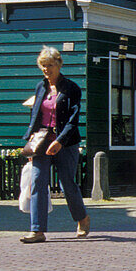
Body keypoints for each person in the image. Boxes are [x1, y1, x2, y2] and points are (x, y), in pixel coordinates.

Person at [20, 47, 90, 243]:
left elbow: (73, 119)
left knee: (67, 184)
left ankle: (82, 218)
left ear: (59, 64)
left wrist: (60, 141)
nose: (46, 69)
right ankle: (37, 230)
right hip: (42, 141)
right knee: (38, 182)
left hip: (65, 143)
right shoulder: (40, 87)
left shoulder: (71, 88)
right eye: (43, 66)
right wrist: (31, 139)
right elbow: (35, 114)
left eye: (50, 65)